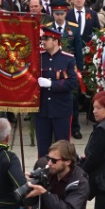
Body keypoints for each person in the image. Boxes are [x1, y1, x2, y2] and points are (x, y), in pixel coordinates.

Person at [35, 26, 77, 156]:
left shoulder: (68, 59)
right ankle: (43, 167)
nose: (43, 41)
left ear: (55, 41)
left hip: (61, 109)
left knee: (63, 147)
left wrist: (52, 84)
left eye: (46, 39)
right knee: (43, 147)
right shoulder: (39, 57)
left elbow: (72, 82)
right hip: (43, 110)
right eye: (42, 38)